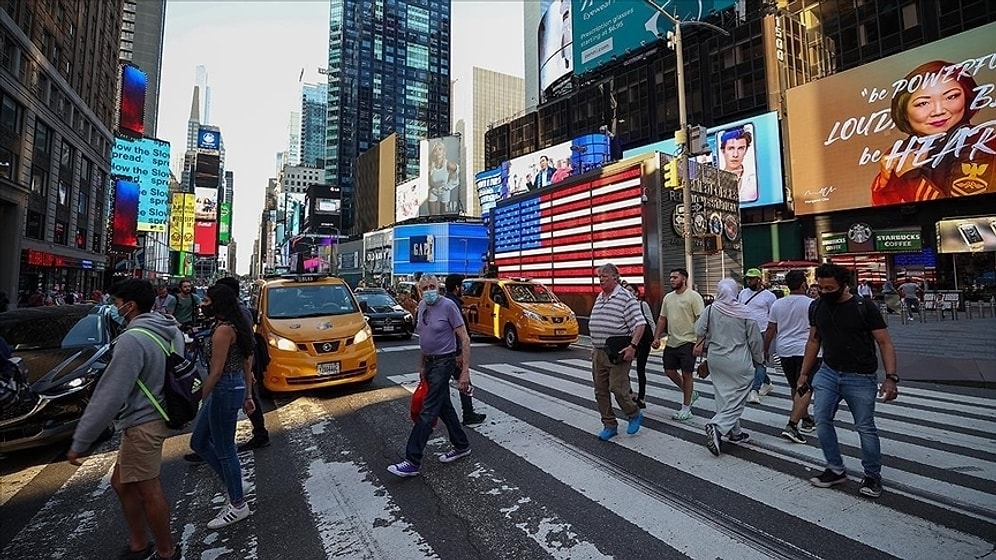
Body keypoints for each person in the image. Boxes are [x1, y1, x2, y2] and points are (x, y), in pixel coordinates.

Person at [67, 278, 183, 560]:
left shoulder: (132, 340)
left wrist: (81, 440)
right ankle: (138, 541)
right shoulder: (168, 328)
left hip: (143, 421)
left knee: (149, 490)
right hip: (160, 413)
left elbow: (110, 394)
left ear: (130, 306)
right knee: (121, 482)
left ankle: (164, 551)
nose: (113, 307)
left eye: (116, 303)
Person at [799, 263, 898, 499]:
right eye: (820, 287)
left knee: (864, 427)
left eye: (829, 288)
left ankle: (872, 475)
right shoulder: (817, 306)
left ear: (843, 285)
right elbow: (814, 341)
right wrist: (804, 373)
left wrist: (891, 377)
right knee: (822, 420)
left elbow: (884, 342)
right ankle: (835, 468)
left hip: (861, 376)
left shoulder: (864, 307)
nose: (824, 292)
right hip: (828, 372)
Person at [871, 60, 996, 206]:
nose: (939, 111)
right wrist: (884, 183)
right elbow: (882, 218)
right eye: (923, 103)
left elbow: (960, 213)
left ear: (967, 98)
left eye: (951, 97)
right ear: (904, 111)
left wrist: (910, 177)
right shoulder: (900, 151)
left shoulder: (981, 142)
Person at [388, 275, 473, 477]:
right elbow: (424, 339)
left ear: (439, 287)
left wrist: (465, 371)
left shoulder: (448, 306)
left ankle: (412, 460)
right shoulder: (422, 307)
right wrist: (422, 365)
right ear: (419, 291)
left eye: (432, 286)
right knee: (444, 407)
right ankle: (462, 445)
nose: (429, 290)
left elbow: (465, 337)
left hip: (444, 361)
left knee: (428, 410)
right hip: (430, 362)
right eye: (424, 287)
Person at [189, 284, 256, 528]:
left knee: (225, 448)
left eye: (206, 300)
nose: (202, 304)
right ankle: (235, 482)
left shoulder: (224, 331)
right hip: (231, 387)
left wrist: (194, 402)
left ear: (218, 304)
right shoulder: (232, 325)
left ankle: (238, 504)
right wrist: (248, 394)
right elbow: (247, 361)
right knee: (198, 442)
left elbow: (215, 373)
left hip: (225, 388)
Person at [695, 278, 763, 456]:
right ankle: (717, 426)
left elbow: (699, 330)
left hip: (716, 359)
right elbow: (755, 340)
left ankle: (736, 433)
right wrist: (759, 359)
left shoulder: (710, 309)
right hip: (738, 360)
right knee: (739, 395)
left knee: (724, 394)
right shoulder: (744, 311)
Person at [588, 263, 645, 441]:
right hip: (599, 351)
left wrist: (633, 347)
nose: (601, 279)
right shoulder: (600, 296)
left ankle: (633, 413)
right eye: (599, 276)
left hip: (618, 352)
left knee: (618, 388)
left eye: (605, 276)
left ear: (615, 277)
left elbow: (640, 323)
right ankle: (609, 424)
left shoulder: (625, 297)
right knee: (600, 391)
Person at [763, 270, 818, 444]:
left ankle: (806, 419)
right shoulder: (812, 304)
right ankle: (792, 426)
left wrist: (766, 348)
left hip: (784, 350)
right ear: (804, 284)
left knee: (796, 385)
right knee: (806, 387)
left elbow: (771, 328)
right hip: (807, 350)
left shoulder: (778, 304)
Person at [651, 268, 704, 421]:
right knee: (669, 371)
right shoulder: (668, 298)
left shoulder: (693, 297)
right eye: (671, 277)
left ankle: (686, 408)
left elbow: (702, 320)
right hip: (672, 341)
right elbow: (662, 319)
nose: (672, 280)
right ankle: (690, 393)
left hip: (689, 341)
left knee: (687, 374)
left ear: (684, 279)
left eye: (675, 277)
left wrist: (700, 343)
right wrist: (657, 337)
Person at [443, 273, 486, 426]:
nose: (463, 289)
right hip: (453, 351)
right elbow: (455, 330)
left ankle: (467, 413)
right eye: (461, 286)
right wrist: (459, 352)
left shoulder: (447, 301)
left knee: (449, 384)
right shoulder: (452, 304)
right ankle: (467, 414)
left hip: (447, 351)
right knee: (464, 380)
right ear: (456, 287)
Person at [738, 268, 778, 403]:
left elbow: (773, 316)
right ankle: (767, 382)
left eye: (752, 278)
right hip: (746, 331)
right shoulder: (743, 293)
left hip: (762, 331)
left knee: (760, 362)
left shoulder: (769, 296)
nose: (749, 281)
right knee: (753, 362)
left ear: (759, 279)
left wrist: (772, 335)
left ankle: (754, 390)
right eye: (748, 278)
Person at [622, 282, 653, 409]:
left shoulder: (642, 304)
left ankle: (641, 397)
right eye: (626, 290)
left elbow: (650, 321)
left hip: (643, 341)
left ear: (636, 293)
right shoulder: (623, 305)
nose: (628, 293)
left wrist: (655, 339)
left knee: (640, 369)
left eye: (630, 290)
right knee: (624, 370)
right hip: (628, 341)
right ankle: (630, 393)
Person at [719, 127, 758, 203]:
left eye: (740, 148)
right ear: (723, 151)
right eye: (731, 148)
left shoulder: (754, 180)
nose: (735, 155)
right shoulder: (714, 181)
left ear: (746, 150)